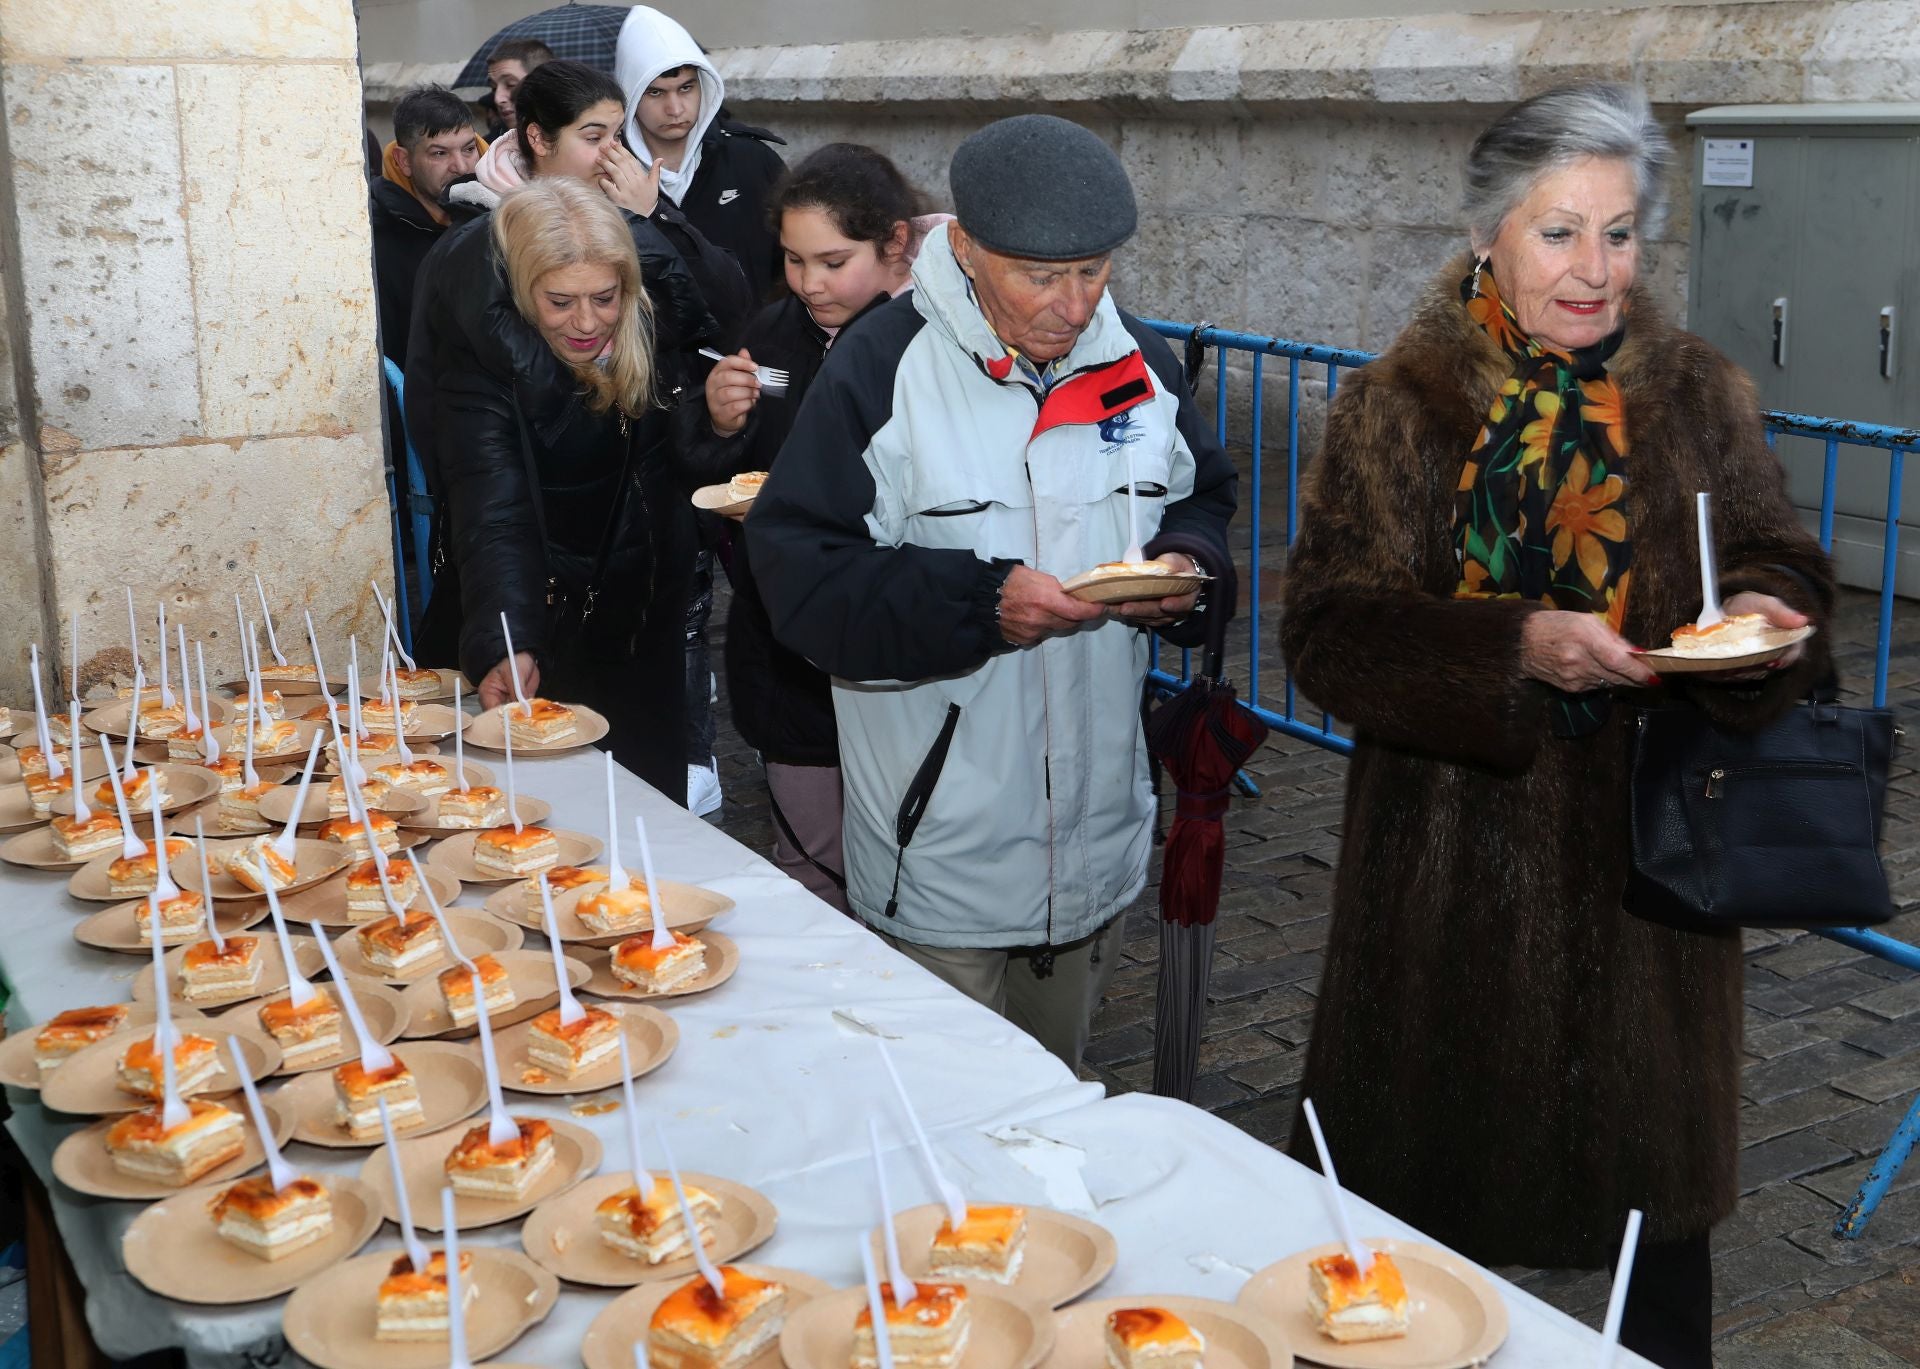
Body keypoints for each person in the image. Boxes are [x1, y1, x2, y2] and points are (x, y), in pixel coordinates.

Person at [1278, 83, 1833, 1369]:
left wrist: (1765, 613)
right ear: (1488, 234)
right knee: (1406, 1286)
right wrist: (1510, 647)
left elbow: (1778, 556)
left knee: (1656, 1279)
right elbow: (1329, 634)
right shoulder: (1399, 404)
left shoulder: (1696, 393)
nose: (1597, 272)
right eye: (1559, 233)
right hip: (1441, 902)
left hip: (1653, 900)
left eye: (1622, 234)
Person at [747, 115, 1237, 1070]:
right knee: (947, 1139)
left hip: (1097, 846)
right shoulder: (881, 367)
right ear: (963, 248)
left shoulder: (1139, 360)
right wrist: (980, 605)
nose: (1071, 303)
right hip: (942, 857)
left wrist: (1184, 565)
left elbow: (1203, 494)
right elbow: (799, 572)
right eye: (1039, 275)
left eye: (1092, 271)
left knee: (1055, 1106)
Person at [695, 144, 948, 909]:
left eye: (833, 262)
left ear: (895, 244)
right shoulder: (774, 332)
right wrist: (715, 422)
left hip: (903, 648)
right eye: (794, 260)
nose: (810, 283)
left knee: (912, 867)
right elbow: (718, 470)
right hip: (787, 653)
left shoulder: (939, 340)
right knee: (811, 866)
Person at [424, 177, 703, 800]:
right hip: (548, 615)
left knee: (650, 809)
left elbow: (681, 459)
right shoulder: (479, 361)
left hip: (640, 613)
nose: (585, 323)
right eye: (559, 302)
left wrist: (726, 427)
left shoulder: (652, 325)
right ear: (524, 293)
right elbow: (492, 506)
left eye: (604, 298)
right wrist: (510, 639)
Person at [614, 6, 787, 303]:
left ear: (704, 87)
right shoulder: (608, 178)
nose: (675, 109)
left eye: (686, 88)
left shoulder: (755, 162)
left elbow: (790, 266)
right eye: (655, 93)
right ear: (629, 94)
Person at [370, 86, 482, 362]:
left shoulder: (495, 215)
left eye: (469, 149)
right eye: (439, 154)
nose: (462, 166)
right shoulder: (377, 240)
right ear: (404, 161)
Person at [484, 37, 552, 137]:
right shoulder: (490, 149)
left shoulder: (573, 142)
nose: (498, 99)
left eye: (511, 85)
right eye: (494, 88)